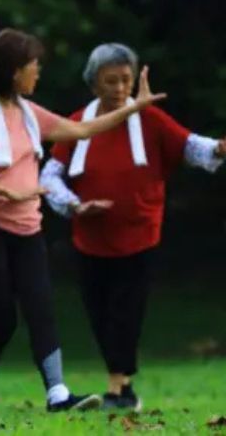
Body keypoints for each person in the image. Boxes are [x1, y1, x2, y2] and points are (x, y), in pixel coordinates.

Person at [0, 28, 165, 413]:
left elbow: (81, 130)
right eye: (33, 67)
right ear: (15, 72)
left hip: (27, 231)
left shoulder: (29, 114)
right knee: (2, 321)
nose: (38, 74)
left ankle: (58, 394)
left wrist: (133, 107)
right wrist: (5, 192)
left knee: (41, 308)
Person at [39, 43, 226, 411]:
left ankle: (118, 389)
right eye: (111, 81)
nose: (120, 88)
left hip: (140, 237)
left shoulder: (151, 120)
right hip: (90, 240)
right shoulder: (78, 123)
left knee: (126, 313)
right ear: (94, 85)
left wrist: (218, 149)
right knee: (100, 314)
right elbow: (51, 175)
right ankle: (122, 387)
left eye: (126, 80)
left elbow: (189, 146)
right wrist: (76, 205)